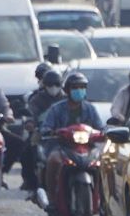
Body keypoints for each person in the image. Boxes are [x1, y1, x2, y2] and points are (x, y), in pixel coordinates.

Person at [37, 72, 105, 207]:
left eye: (82, 87)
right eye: (75, 88)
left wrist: (104, 133)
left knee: (102, 163)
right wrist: (51, 131)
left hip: (87, 148)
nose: (79, 91)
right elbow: (46, 127)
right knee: (53, 161)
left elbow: (100, 128)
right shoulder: (56, 109)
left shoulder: (90, 109)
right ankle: (52, 199)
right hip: (62, 147)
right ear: (67, 90)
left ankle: (102, 199)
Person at [21, 69, 65, 198]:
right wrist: (30, 123)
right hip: (43, 133)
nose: (53, 88)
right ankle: (32, 184)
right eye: (50, 85)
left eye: (57, 84)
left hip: (66, 135)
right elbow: (30, 113)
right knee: (28, 151)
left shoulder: (67, 99)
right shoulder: (37, 99)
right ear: (44, 85)